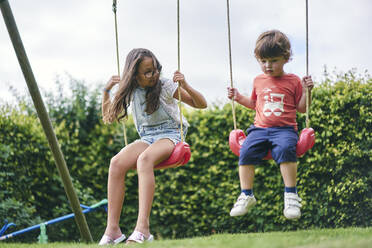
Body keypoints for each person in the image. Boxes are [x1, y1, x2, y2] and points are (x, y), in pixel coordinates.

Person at [99, 48, 207, 245]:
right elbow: (109, 116)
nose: (154, 75)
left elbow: (202, 104)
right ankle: (113, 230)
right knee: (116, 163)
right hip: (147, 138)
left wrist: (186, 85)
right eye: (147, 72)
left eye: (155, 69)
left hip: (171, 134)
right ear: (134, 76)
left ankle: (143, 228)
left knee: (144, 159)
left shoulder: (165, 85)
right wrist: (106, 91)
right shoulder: (131, 89)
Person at [227, 30, 314, 220]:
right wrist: (238, 97)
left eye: (273, 60)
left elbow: (301, 109)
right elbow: (253, 104)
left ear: (285, 58)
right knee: (246, 151)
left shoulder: (293, 81)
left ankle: (291, 195)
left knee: (285, 149)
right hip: (259, 129)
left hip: (284, 130)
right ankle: (246, 195)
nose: (268, 66)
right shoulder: (258, 80)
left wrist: (307, 92)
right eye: (263, 61)